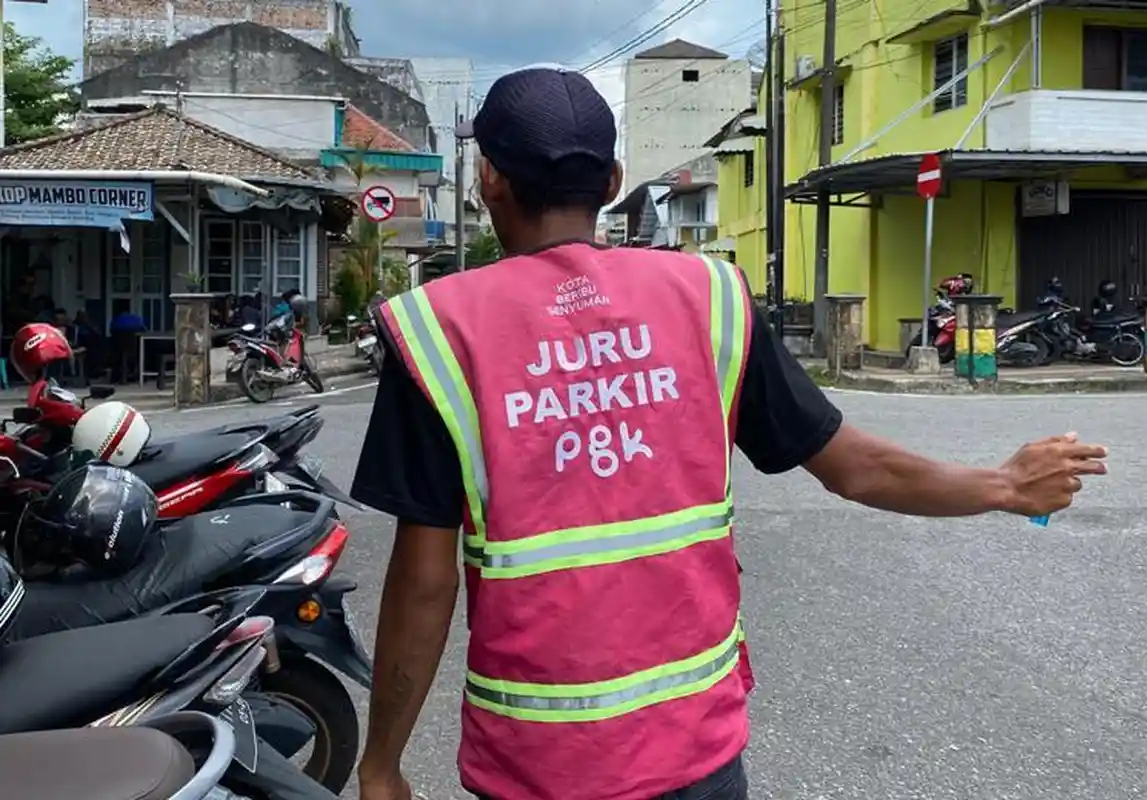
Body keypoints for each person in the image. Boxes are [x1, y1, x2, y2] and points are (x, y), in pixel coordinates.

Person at [350, 67, 1108, 800]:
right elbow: (855, 467)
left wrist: (382, 763)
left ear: (488, 180)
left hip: (542, 762)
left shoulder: (439, 331)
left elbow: (424, 583)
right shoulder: (709, 296)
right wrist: (1003, 485)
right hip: (695, 750)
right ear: (612, 182)